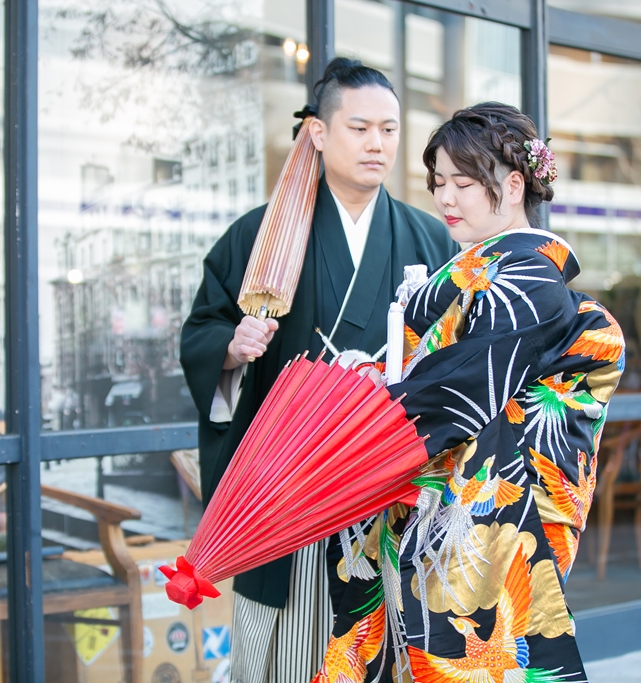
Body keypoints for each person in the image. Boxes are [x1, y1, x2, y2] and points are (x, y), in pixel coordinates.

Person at [310, 102, 625, 683]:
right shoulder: (477, 269)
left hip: (494, 509)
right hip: (447, 498)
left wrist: (364, 426)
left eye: (463, 183)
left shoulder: (529, 278)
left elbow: (460, 386)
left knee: (475, 656)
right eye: (438, 183)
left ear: (513, 185)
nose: (445, 198)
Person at [179, 57, 456, 683]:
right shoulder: (262, 236)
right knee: (292, 655)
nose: (377, 143)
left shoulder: (429, 239)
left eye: (389, 129)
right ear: (319, 133)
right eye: (359, 128)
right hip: (287, 486)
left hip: (386, 482)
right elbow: (202, 331)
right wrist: (232, 347)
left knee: (388, 649)